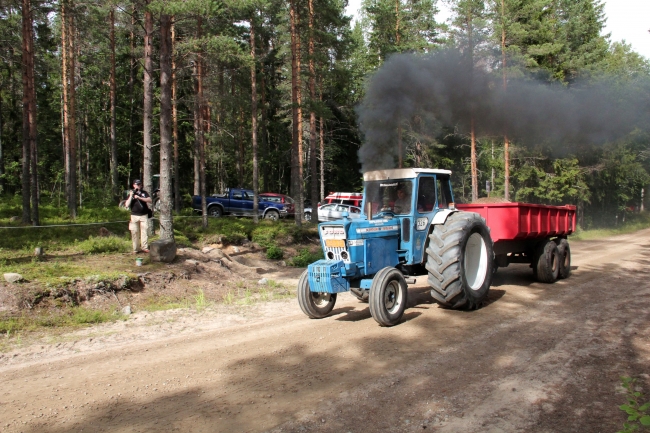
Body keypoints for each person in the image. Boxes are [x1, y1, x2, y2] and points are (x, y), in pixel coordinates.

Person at [125, 179, 152, 254]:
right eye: (137, 184)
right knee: (134, 232)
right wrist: (131, 196)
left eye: (140, 184)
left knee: (144, 232)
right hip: (134, 216)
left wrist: (139, 198)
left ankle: (144, 247)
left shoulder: (144, 193)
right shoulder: (131, 193)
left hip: (144, 215)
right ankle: (135, 248)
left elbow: (149, 200)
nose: (139, 186)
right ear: (134, 185)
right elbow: (126, 205)